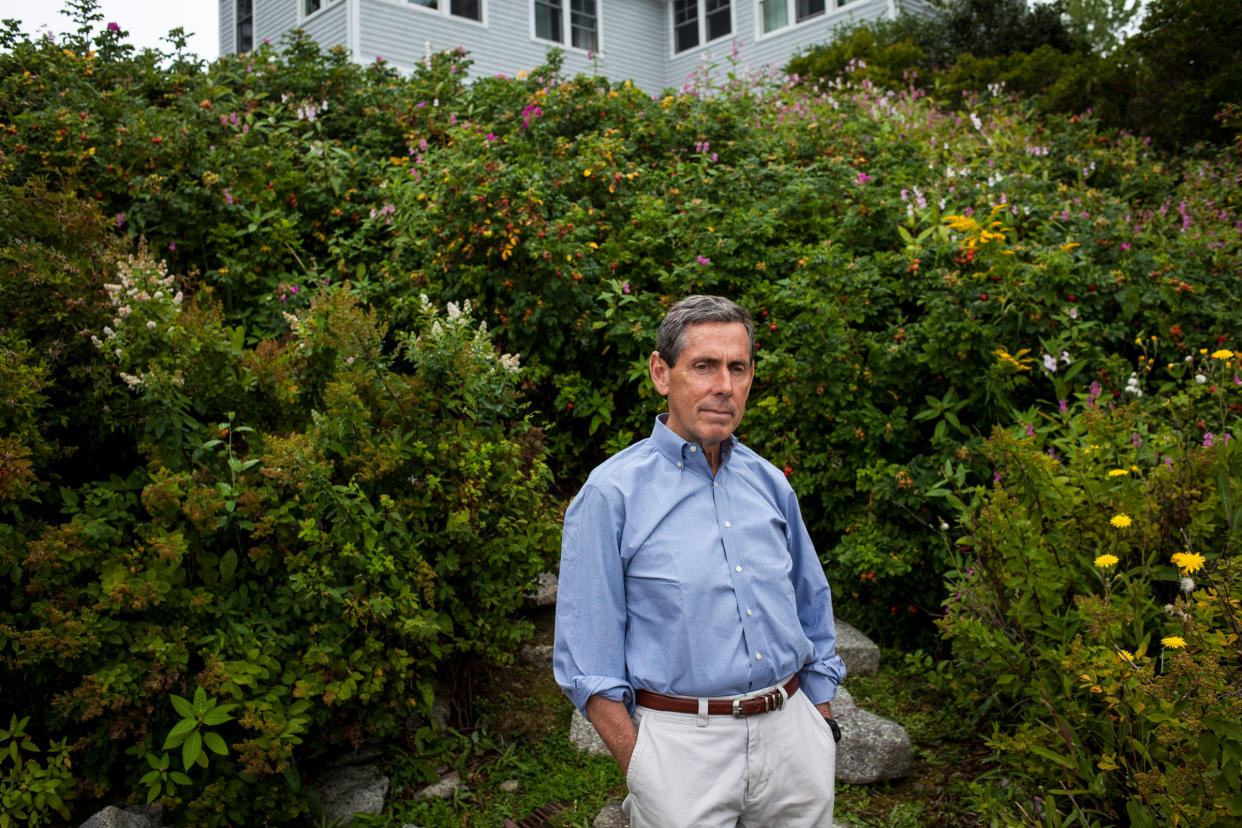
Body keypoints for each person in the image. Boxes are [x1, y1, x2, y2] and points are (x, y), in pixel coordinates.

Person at [553, 295, 846, 827]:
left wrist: (819, 721)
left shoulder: (770, 484)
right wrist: (642, 766)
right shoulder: (610, 495)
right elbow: (586, 664)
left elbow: (812, 606)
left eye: (738, 368)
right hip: (682, 754)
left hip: (793, 743)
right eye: (704, 366)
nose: (724, 386)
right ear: (661, 373)